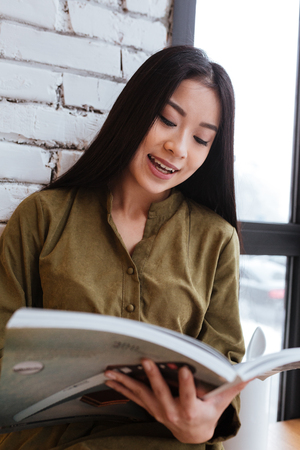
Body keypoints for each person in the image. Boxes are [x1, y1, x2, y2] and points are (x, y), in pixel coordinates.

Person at [0, 46, 246, 450]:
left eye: (201, 139)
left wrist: (203, 426)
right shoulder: (42, 218)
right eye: (167, 120)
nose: (178, 148)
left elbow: (224, 374)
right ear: (134, 111)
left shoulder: (216, 241)